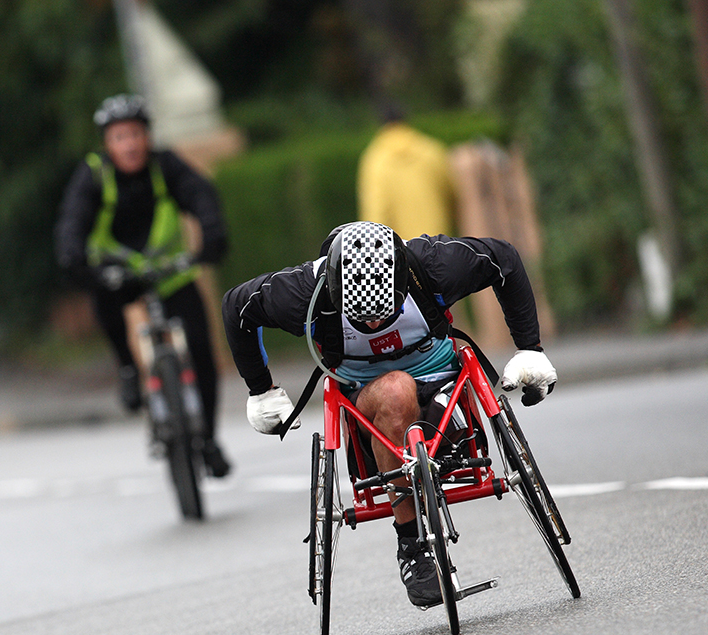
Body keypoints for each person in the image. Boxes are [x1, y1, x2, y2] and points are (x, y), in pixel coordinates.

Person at [221, 221, 556, 607]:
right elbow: (236, 307)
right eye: (364, 319)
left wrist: (530, 346)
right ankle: (412, 546)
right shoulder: (300, 293)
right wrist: (261, 390)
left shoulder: (431, 264)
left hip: (440, 375)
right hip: (367, 396)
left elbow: (505, 260)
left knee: (432, 405)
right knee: (396, 389)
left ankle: (443, 436)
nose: (376, 325)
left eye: (386, 312)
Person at [55, 94, 232, 478]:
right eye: (120, 137)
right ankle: (128, 370)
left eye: (136, 134)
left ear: (147, 137)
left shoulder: (165, 166)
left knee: (201, 349)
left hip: (171, 272)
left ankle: (209, 439)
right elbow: (72, 222)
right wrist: (75, 258)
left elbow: (202, 196)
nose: (130, 144)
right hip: (118, 274)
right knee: (106, 302)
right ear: (107, 143)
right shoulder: (93, 175)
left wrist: (211, 238)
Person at [357, 104, 457, 239]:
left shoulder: (375, 160)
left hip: (402, 249)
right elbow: (452, 194)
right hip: (438, 242)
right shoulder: (431, 150)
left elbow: (376, 211)